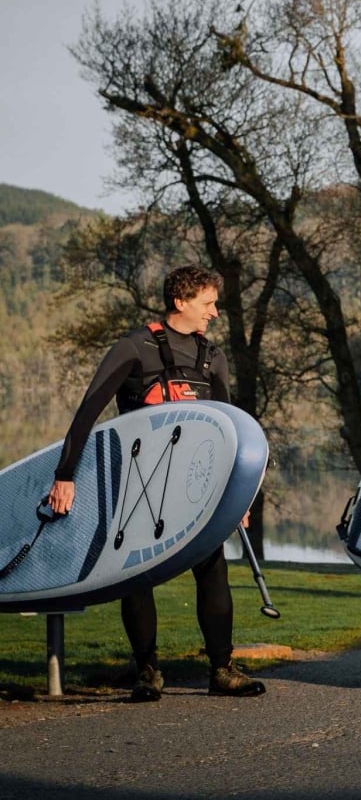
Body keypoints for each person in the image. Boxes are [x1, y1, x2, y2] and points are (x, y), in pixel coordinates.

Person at [46, 265, 266, 702]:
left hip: (197, 488)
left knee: (213, 567)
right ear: (181, 301)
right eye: (208, 303)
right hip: (138, 488)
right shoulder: (134, 347)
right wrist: (65, 475)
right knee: (137, 575)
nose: (215, 313)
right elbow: (89, 411)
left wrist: (239, 494)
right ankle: (147, 672)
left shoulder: (213, 357)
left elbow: (230, 431)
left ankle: (221, 670)